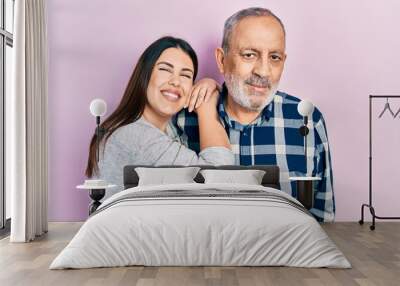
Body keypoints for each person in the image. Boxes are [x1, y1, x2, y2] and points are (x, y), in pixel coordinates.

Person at [174, 7, 335, 222]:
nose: (263, 71)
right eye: (249, 55)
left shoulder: (307, 120)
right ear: (221, 60)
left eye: (275, 57)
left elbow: (322, 218)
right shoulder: (182, 120)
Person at [85, 36, 234, 200]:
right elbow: (220, 179)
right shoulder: (135, 135)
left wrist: (209, 83)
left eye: (185, 75)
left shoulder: (167, 129)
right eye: (165, 69)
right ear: (145, 75)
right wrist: (207, 106)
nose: (176, 81)